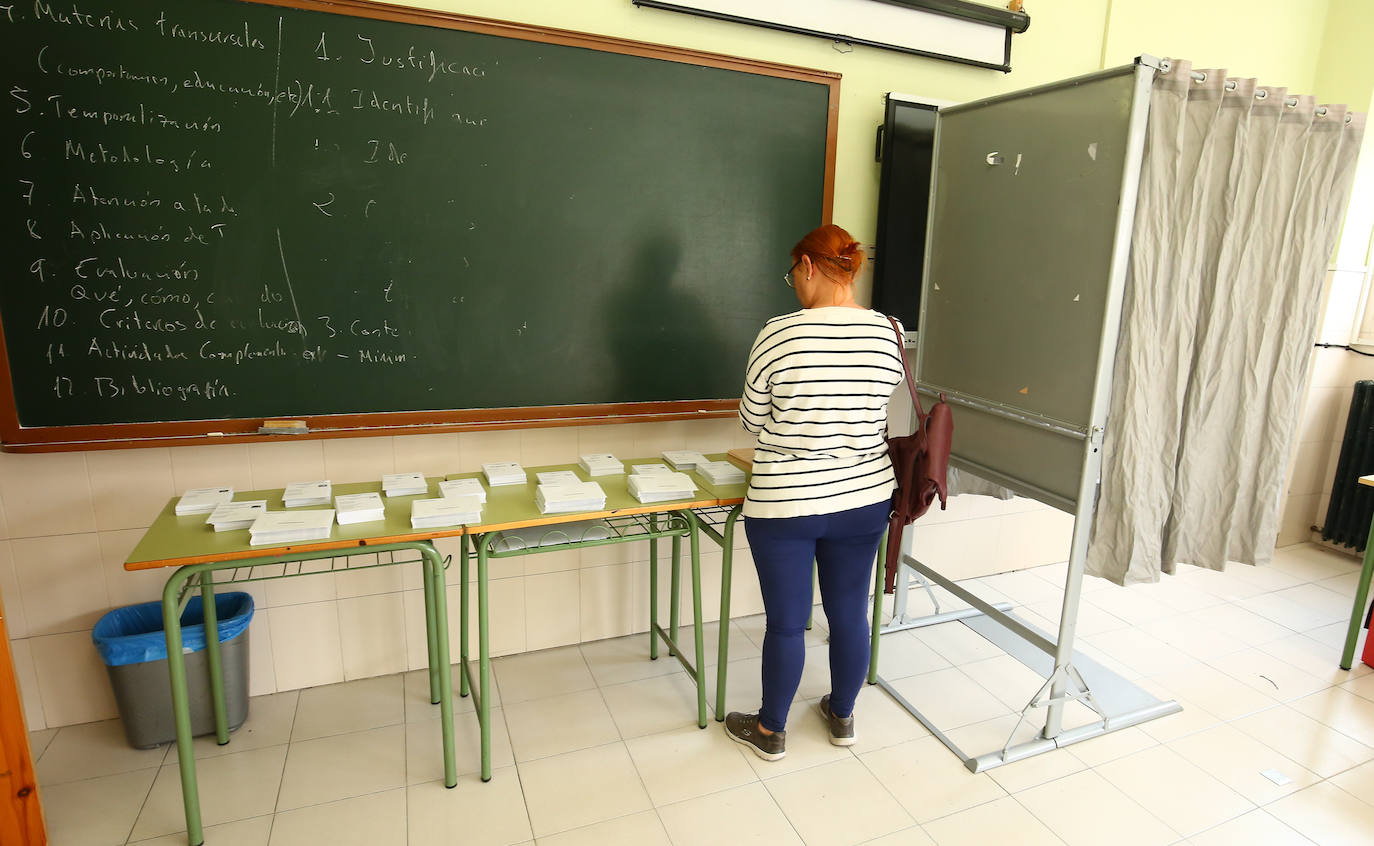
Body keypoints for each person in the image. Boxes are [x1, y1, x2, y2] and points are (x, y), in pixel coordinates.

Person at [725, 223, 905, 760]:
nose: (793, 286)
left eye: (793, 275)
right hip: (864, 497)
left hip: (786, 501)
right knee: (850, 611)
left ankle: (770, 730)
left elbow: (751, 421)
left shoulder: (779, 333)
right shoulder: (889, 332)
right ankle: (843, 716)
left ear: (808, 267)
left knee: (786, 620)